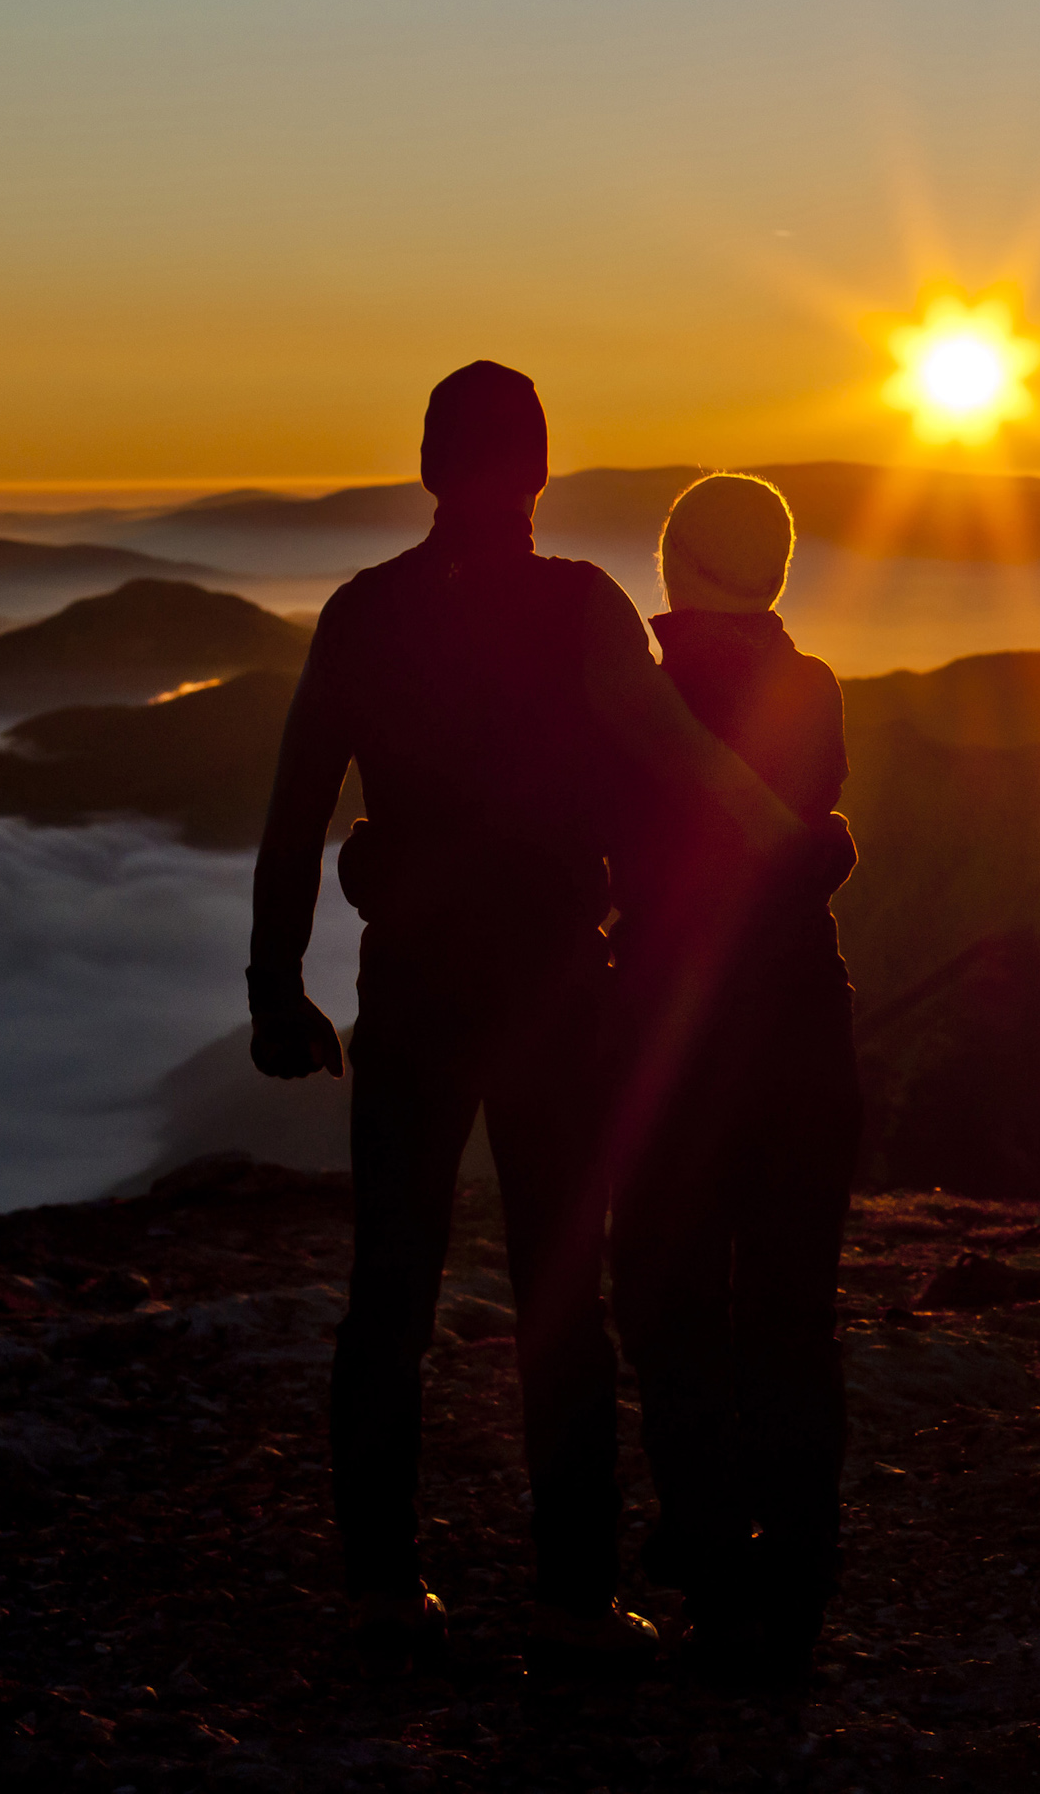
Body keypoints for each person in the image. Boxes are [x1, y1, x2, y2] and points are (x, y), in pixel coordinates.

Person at [243, 363, 816, 1671]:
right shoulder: (582, 606)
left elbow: (294, 808)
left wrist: (277, 986)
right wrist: (786, 840)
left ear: (428, 467)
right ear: (543, 470)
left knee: (390, 1289)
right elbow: (676, 755)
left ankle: (380, 1586)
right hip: (555, 989)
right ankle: (573, 1598)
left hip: (412, 986)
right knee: (561, 1291)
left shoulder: (364, 611)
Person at [603, 472, 864, 1693]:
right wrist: (824, 849)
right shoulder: (813, 690)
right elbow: (804, 836)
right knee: (790, 1314)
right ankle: (796, 1579)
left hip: (677, 1034)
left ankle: (714, 1573)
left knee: (671, 1304)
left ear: (675, 564)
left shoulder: (643, 699)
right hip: (805, 1025)